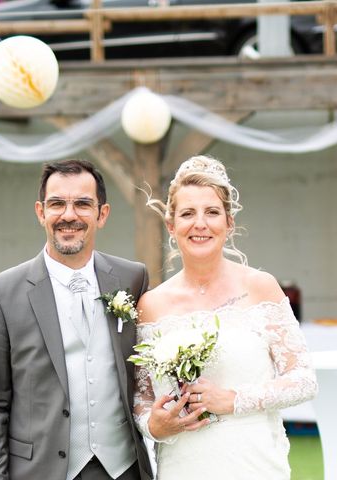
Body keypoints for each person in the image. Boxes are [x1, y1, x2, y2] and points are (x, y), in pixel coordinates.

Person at [133, 155, 318, 479]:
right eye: (188, 213)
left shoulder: (261, 287)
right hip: (182, 466)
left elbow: (303, 379)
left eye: (212, 212)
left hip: (255, 464)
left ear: (229, 223)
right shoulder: (151, 305)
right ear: (171, 226)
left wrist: (232, 399)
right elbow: (141, 398)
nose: (200, 223)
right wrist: (153, 424)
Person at [0, 159, 153, 480]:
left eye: (83, 204)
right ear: (41, 212)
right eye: (57, 203)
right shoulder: (0, 293)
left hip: (123, 468)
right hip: (40, 470)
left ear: (102, 214)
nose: (69, 215)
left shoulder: (132, 278)